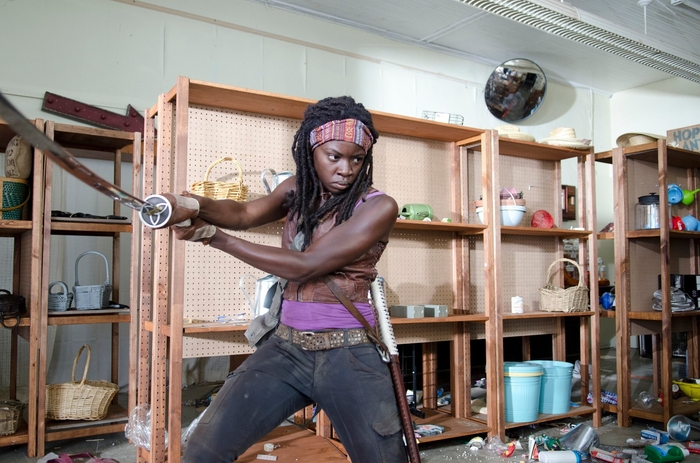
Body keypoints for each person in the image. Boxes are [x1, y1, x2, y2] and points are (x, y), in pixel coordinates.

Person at [168, 96, 408, 462]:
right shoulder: (297, 189)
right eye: (334, 157)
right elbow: (244, 213)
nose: (346, 169)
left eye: (357, 159)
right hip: (287, 348)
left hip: (350, 354)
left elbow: (305, 266)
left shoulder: (378, 207)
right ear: (311, 151)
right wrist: (193, 205)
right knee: (204, 448)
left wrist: (214, 236)